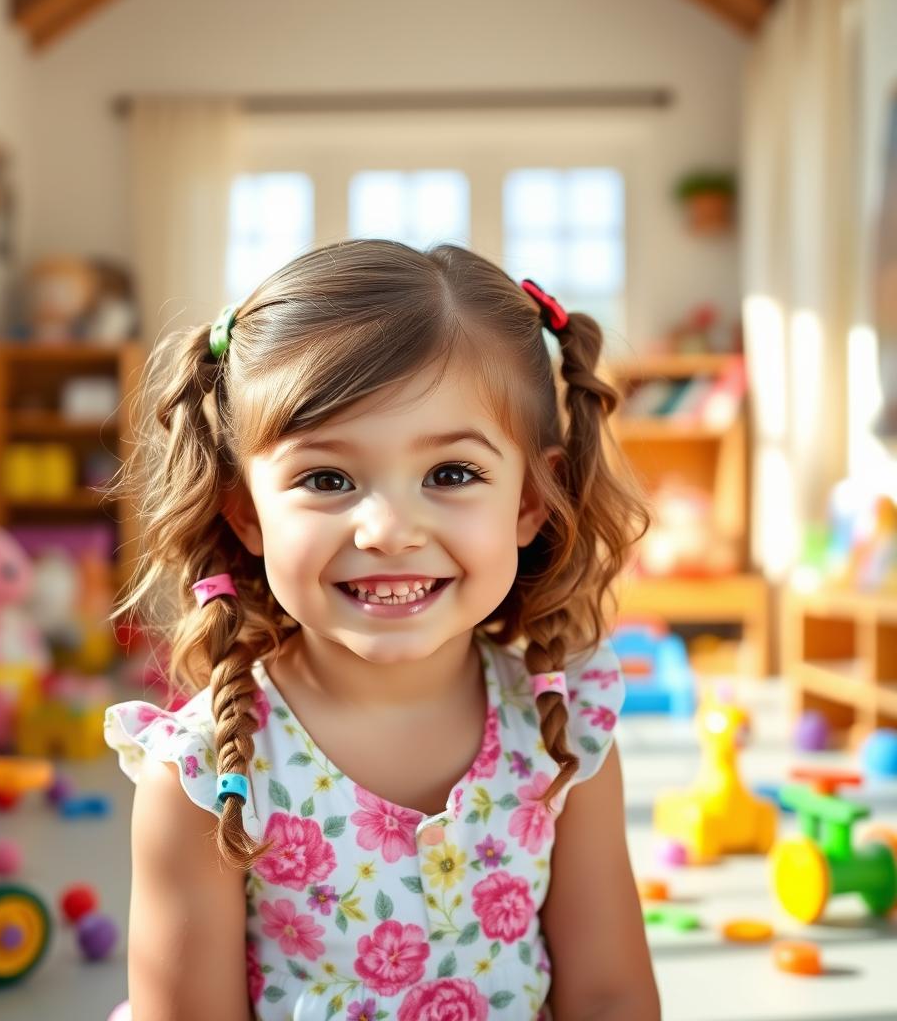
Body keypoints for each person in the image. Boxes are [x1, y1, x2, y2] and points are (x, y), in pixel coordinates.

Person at [104, 239, 660, 1021]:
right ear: (245, 513)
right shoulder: (201, 780)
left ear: (532, 500)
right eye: (327, 479)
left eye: (452, 474)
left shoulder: (565, 733)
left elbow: (608, 996)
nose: (390, 530)